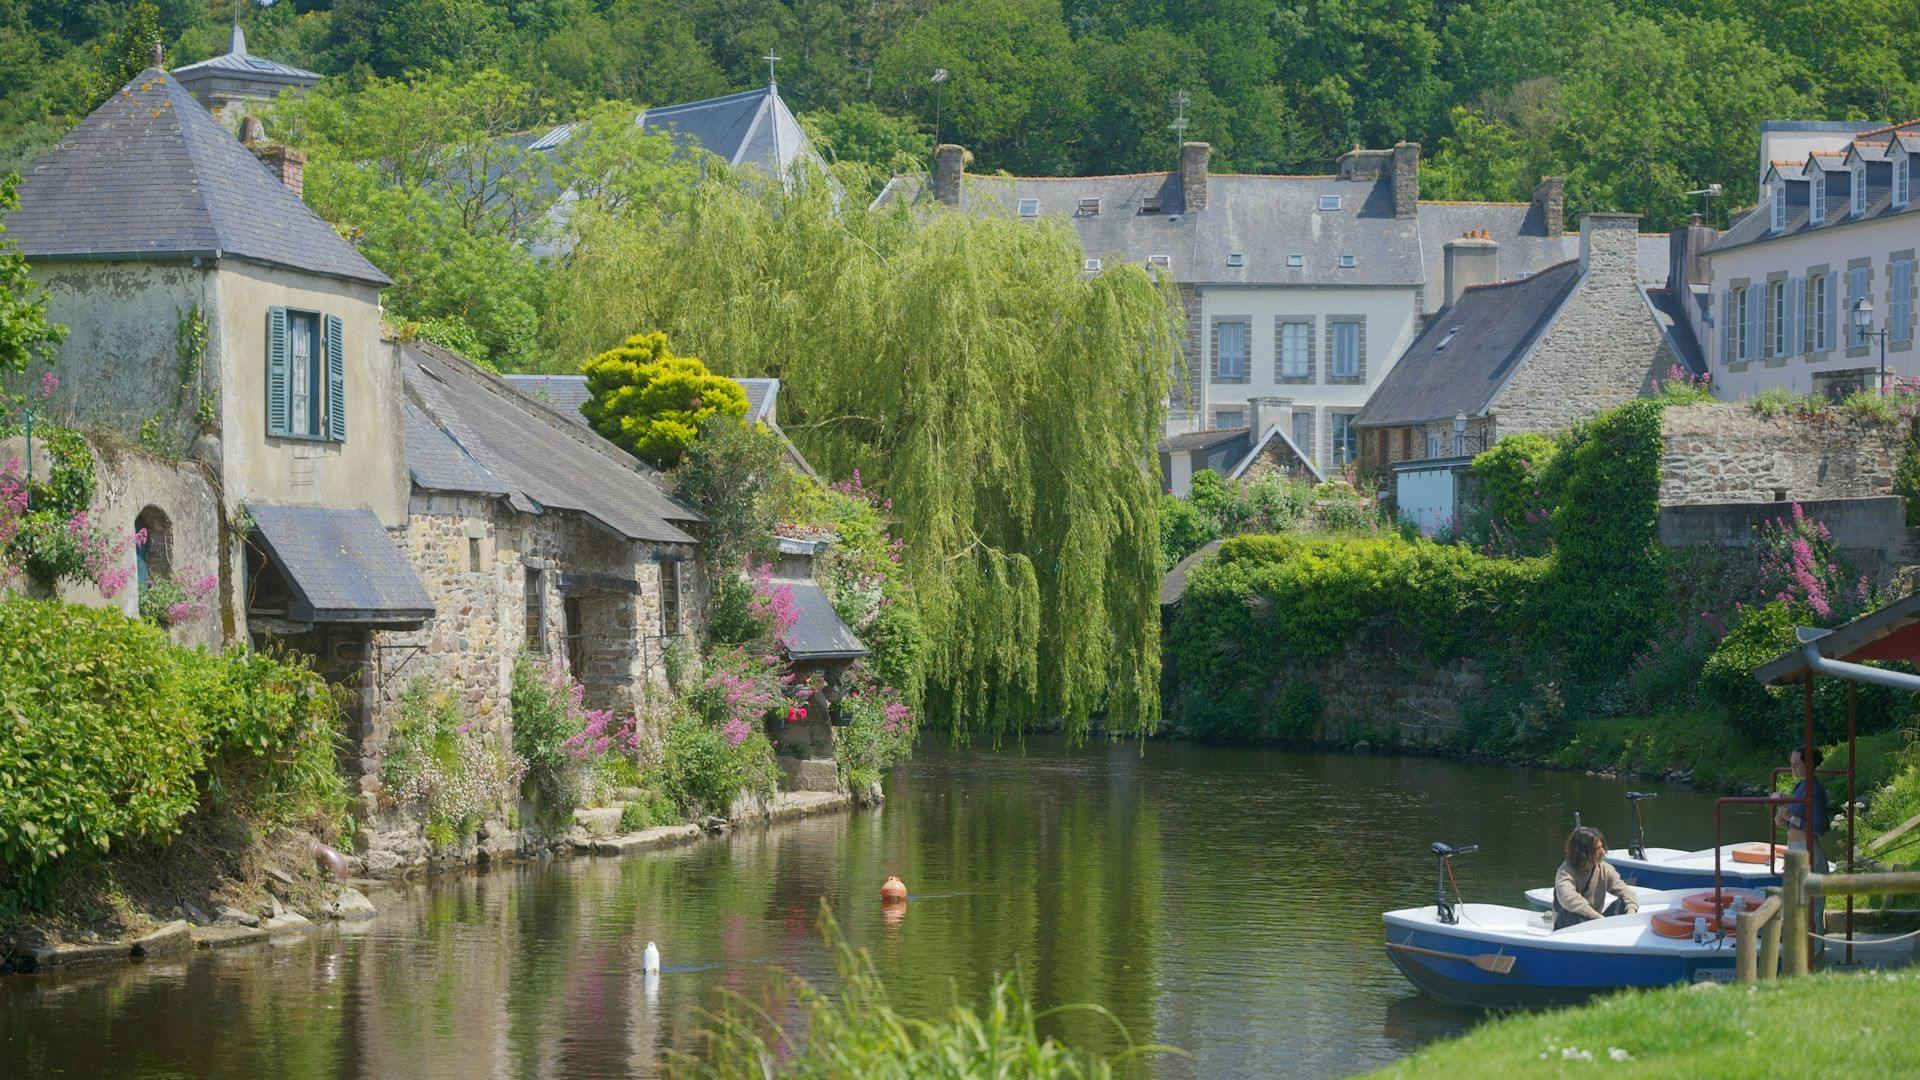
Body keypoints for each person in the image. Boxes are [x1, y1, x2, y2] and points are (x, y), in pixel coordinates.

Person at [1775, 745, 1831, 964]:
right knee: (1798, 905)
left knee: (1812, 909)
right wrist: (1782, 817)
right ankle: (1802, 958)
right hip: (1796, 850)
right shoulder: (1801, 786)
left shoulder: (1814, 790)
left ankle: (1814, 960)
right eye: (1791, 763)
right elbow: (1795, 819)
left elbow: (1820, 827)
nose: (1792, 767)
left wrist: (1790, 816)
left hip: (1808, 852)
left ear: (1811, 764)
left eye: (1796, 763)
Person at [1553, 825, 1639, 930]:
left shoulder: (1604, 869)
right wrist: (1599, 918)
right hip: (1570, 925)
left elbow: (1627, 893)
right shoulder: (1565, 872)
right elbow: (1570, 900)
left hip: (1596, 922)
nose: (1603, 851)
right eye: (1598, 848)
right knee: (1573, 913)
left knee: (1622, 903)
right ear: (1584, 852)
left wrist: (1630, 912)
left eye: (1602, 847)